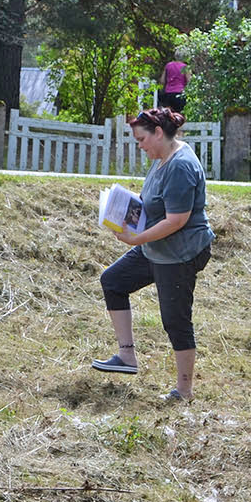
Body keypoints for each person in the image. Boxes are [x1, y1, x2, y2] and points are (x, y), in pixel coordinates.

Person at [92, 107, 215, 402]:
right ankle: (126, 357)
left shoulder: (180, 166)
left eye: (141, 139)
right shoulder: (161, 158)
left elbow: (176, 220)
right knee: (114, 281)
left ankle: (184, 391)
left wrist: (136, 239)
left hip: (180, 253)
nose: (140, 146)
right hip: (157, 247)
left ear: (158, 133)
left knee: (175, 320)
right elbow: (152, 203)